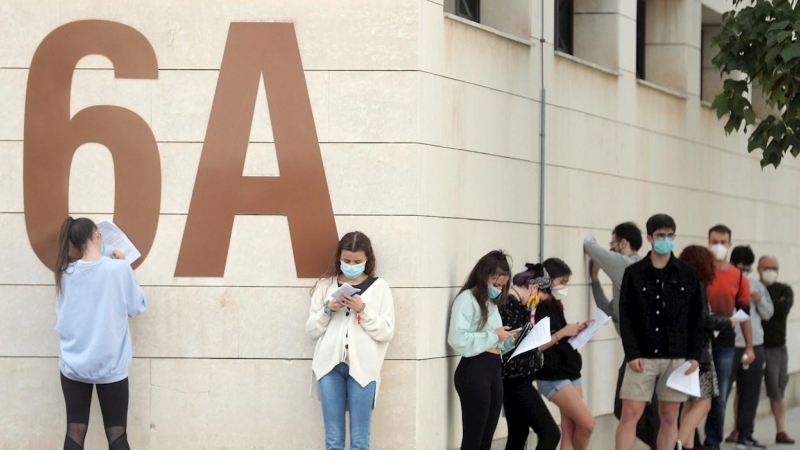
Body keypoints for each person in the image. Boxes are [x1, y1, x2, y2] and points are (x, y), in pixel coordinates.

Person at [55, 217, 147, 450]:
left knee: (74, 432)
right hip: (111, 365)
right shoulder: (118, 269)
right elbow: (137, 307)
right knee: (117, 435)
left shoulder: (65, 273)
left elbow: (63, 316)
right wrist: (124, 264)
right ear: (97, 233)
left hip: (74, 364)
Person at [615, 214, 705, 450]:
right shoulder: (634, 273)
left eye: (670, 235)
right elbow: (626, 316)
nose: (666, 239)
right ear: (649, 238)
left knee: (669, 415)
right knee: (630, 414)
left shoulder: (688, 273)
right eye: (660, 235)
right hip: (642, 356)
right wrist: (632, 352)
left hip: (676, 357)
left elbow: (698, 316)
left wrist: (695, 355)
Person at [305, 231, 395, 450]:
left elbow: (386, 332)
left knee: (360, 439)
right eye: (346, 261)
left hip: (363, 369)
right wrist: (328, 310)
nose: (351, 265)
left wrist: (363, 310)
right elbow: (311, 331)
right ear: (339, 258)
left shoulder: (380, 287)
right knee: (333, 439)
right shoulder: (326, 286)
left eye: (357, 261)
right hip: (329, 368)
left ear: (367, 260)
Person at [584, 223, 656, 449]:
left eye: (613, 242)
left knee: (629, 411)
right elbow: (610, 310)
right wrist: (594, 280)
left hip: (643, 353)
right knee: (635, 410)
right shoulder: (640, 271)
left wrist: (591, 236)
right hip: (642, 351)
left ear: (623, 243)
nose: (611, 247)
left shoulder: (626, 265)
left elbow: (589, 245)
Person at [448, 250, 516, 450]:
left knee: (486, 440)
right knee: (473, 439)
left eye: (502, 286)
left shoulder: (490, 303)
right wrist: (494, 335)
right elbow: (457, 338)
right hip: (474, 371)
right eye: (495, 284)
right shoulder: (467, 299)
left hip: (493, 371)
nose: (498, 289)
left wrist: (511, 339)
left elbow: (495, 339)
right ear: (483, 275)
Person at [675, 245, 740, 450]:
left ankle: (686, 445)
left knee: (690, 404)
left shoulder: (679, 284)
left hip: (685, 351)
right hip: (699, 353)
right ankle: (676, 443)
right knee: (704, 403)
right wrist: (728, 322)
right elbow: (703, 320)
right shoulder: (697, 286)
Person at [498, 263, 561, 450]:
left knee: (518, 436)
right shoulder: (511, 305)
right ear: (534, 287)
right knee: (550, 434)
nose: (537, 302)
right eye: (539, 297)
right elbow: (512, 351)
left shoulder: (514, 304)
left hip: (513, 382)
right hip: (516, 382)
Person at [534, 258, 594, 450]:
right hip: (552, 374)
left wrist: (576, 329)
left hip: (570, 369)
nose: (564, 287)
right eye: (562, 282)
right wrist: (563, 332)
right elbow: (536, 344)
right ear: (548, 279)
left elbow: (561, 333)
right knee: (587, 423)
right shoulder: (538, 305)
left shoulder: (555, 304)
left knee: (570, 427)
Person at [703, 225, 752, 450]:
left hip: (725, 343)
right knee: (696, 394)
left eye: (723, 242)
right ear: (708, 242)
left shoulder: (738, 277)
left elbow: (744, 315)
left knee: (719, 395)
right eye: (715, 241)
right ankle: (689, 440)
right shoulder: (699, 271)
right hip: (699, 342)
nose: (719, 246)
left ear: (730, 244)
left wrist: (750, 346)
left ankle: (713, 443)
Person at [723, 246, 773, 449]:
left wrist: (759, 300)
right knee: (720, 395)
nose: (745, 273)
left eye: (748, 269)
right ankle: (712, 438)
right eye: (742, 268)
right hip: (729, 346)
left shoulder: (756, 286)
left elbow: (769, 313)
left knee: (750, 393)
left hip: (754, 346)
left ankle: (745, 434)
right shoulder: (723, 282)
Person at [759, 255, 796, 445]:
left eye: (774, 268)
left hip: (776, 348)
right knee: (745, 390)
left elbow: (780, 311)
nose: (771, 271)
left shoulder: (785, 289)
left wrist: (763, 303)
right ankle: (737, 430)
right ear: (758, 269)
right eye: (767, 267)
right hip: (755, 346)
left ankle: (780, 431)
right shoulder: (752, 288)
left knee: (777, 391)